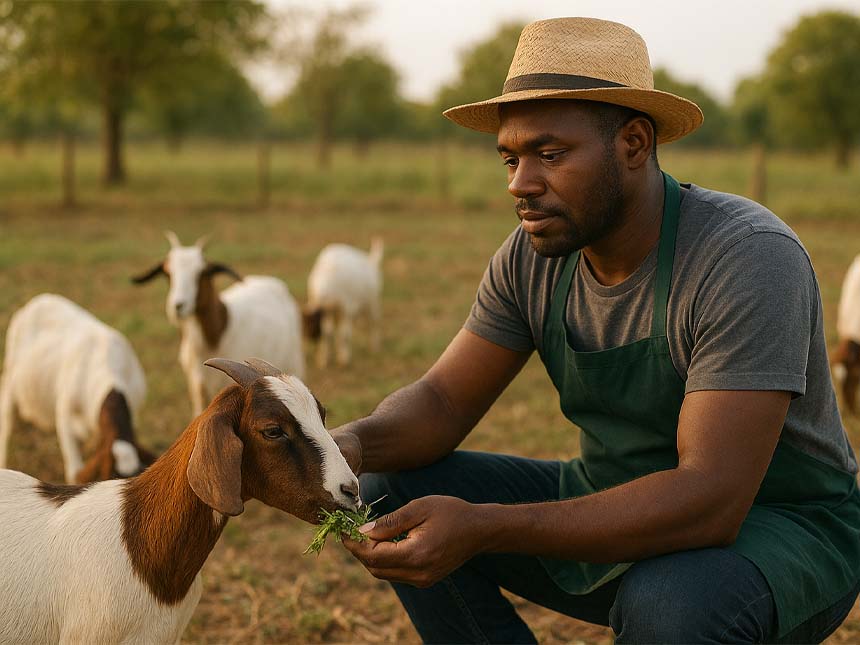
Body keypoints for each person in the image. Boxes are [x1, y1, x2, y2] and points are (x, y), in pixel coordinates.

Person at [333, 17, 860, 644]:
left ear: (634, 144)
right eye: (510, 156)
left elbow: (711, 497)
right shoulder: (532, 255)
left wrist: (485, 525)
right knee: (387, 491)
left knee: (668, 603)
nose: (519, 184)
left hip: (774, 530)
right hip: (609, 501)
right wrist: (339, 445)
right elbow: (443, 402)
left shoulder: (745, 256)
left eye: (549, 154)